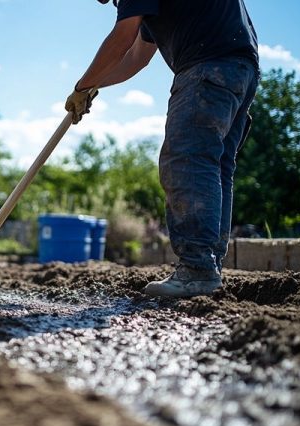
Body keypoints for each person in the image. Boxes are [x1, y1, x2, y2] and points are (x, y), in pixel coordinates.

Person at [65, 0, 259, 298]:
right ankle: (206, 267)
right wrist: (93, 86)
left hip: (208, 65)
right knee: (215, 166)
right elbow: (136, 58)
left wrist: (81, 86)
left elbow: (121, 38)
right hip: (239, 69)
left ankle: (197, 270)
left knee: (186, 160)